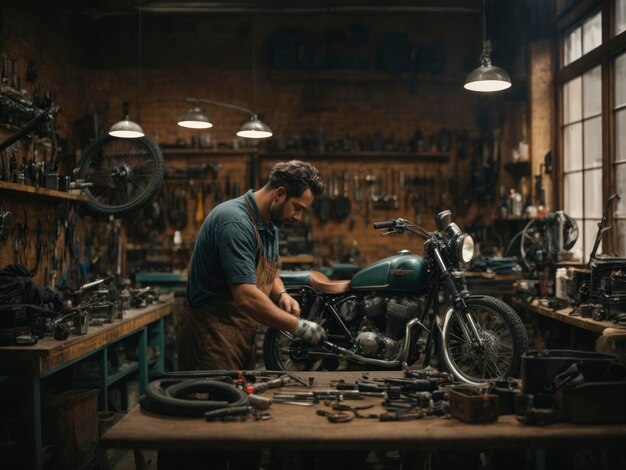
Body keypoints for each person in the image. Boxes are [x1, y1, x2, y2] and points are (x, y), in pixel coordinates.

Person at [176, 159, 326, 371]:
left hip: (240, 333)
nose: (299, 218)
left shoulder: (269, 225)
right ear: (279, 194)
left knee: (239, 400)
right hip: (211, 336)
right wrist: (299, 327)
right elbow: (246, 297)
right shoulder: (235, 222)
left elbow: (270, 273)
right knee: (212, 403)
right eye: (297, 208)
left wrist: (282, 294)